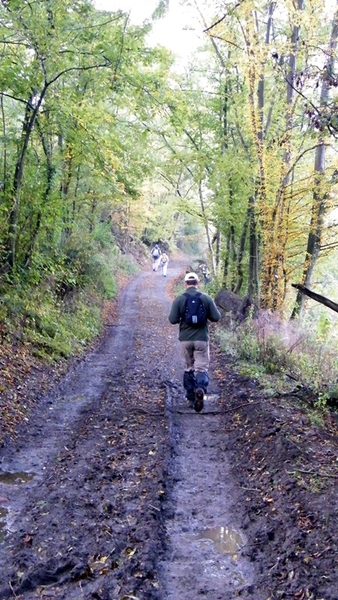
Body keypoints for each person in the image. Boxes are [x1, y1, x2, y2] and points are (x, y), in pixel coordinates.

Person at [168, 272, 221, 412]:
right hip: (202, 339)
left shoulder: (180, 299)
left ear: (186, 284)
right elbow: (216, 317)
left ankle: (191, 399)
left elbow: (172, 319)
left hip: (185, 339)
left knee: (189, 368)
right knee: (201, 368)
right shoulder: (206, 298)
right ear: (198, 283)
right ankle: (200, 389)